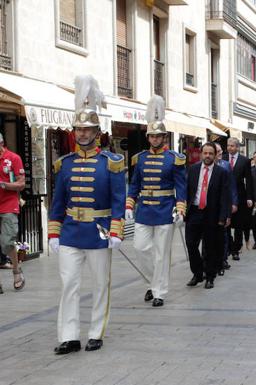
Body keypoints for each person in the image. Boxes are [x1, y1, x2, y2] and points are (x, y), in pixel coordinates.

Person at [48, 75, 126, 354]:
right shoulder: (64, 164)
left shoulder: (112, 163)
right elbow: (58, 202)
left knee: (100, 285)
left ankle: (95, 332)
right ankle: (69, 336)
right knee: (69, 284)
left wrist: (116, 230)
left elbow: (119, 200)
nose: (82, 134)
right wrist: (54, 232)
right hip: (70, 231)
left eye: (87, 129)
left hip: (98, 232)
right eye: (78, 129)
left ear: (97, 132)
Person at [125, 95, 187, 307]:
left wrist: (180, 209)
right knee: (140, 248)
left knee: (161, 254)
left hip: (164, 209)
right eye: (151, 136)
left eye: (157, 136)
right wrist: (130, 203)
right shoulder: (140, 158)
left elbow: (181, 186)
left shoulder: (174, 158)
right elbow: (134, 184)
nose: (154, 139)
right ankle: (153, 282)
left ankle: (159, 291)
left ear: (164, 137)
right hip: (144, 210)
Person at [185, 142, 231, 289]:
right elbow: (186, 191)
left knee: (210, 247)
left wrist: (224, 217)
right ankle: (198, 273)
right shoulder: (192, 170)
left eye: (211, 153)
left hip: (212, 214)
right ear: (201, 154)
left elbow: (225, 196)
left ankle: (210, 276)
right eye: (205, 153)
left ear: (215, 155)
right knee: (191, 244)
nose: (208, 156)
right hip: (194, 212)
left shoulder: (221, 172)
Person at [0, 132, 26, 293]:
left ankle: (16, 270)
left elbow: (21, 184)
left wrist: (4, 185)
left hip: (8, 204)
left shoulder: (14, 158)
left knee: (7, 241)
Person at [224, 138, 254, 261]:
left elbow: (249, 180)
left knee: (238, 225)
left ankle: (236, 249)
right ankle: (228, 247)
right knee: (225, 224)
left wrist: (249, 197)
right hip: (225, 195)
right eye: (228, 145)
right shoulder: (223, 158)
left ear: (237, 147)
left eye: (232, 146)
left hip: (240, 196)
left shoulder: (245, 161)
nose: (229, 148)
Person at [215, 143, 238, 275]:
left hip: (224, 205)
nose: (218, 153)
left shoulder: (225, 165)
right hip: (209, 206)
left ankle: (223, 259)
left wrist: (234, 203)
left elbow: (231, 186)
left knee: (224, 234)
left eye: (219, 151)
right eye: (216, 151)